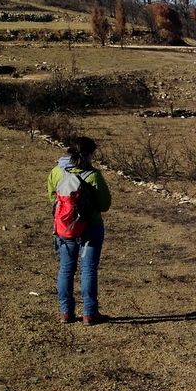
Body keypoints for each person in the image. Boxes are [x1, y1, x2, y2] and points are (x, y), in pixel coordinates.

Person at [46, 136, 112, 325]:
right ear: (90, 154)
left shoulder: (57, 172)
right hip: (91, 227)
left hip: (64, 227)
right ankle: (89, 313)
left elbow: (52, 198)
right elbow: (105, 204)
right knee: (88, 269)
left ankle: (66, 312)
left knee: (66, 269)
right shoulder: (93, 175)